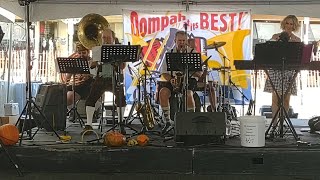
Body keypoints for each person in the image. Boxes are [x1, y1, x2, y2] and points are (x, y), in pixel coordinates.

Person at [158, 31, 202, 133]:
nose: (181, 43)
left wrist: (190, 68)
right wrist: (171, 79)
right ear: (175, 41)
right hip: (174, 79)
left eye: (183, 40)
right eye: (179, 41)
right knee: (163, 93)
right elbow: (164, 73)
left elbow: (199, 74)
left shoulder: (193, 53)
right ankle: (168, 122)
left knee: (188, 94)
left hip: (189, 79)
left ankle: (191, 122)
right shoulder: (169, 54)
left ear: (186, 41)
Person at [85, 29, 126, 134]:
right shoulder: (98, 49)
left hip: (115, 77)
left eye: (108, 38)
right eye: (104, 38)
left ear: (113, 38)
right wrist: (94, 61)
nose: (106, 40)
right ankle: (88, 124)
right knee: (91, 98)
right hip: (101, 77)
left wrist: (119, 59)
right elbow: (92, 67)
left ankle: (121, 123)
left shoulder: (119, 49)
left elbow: (123, 66)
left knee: (121, 97)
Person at [263, 15, 301, 127]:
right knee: (275, 98)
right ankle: (274, 123)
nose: (289, 26)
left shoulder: (296, 40)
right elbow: (268, 52)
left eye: (291, 24)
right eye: (287, 23)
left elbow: (298, 57)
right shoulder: (275, 37)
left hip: (289, 71)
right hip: (276, 70)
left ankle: (281, 124)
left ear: (294, 26)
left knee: (286, 100)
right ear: (284, 24)